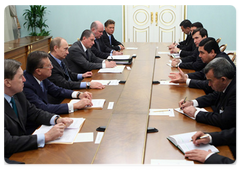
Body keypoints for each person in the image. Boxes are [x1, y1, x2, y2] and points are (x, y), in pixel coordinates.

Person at [2, 59, 73, 158]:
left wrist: (57, 119)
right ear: (7, 82)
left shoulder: (18, 94)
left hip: (23, 149)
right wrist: (46, 136)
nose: (24, 79)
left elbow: (34, 112)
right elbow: (6, 143)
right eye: (20, 77)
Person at [24, 51, 93, 116]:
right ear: (38, 71)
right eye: (49, 66)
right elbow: (43, 107)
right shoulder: (26, 85)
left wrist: (79, 94)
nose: (52, 67)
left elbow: (58, 90)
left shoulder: (41, 77)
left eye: (51, 64)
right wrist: (75, 105)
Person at [179, 57, 237, 130]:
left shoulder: (236, 91)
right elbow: (214, 96)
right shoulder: (226, 83)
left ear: (223, 79)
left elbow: (225, 120)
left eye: (210, 81)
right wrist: (192, 103)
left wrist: (196, 113)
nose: (209, 84)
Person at [169, 37, 237, 94]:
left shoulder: (220, 62)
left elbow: (209, 85)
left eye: (202, 53)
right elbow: (202, 73)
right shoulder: (213, 58)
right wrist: (185, 76)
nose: (199, 55)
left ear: (212, 52)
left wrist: (187, 81)